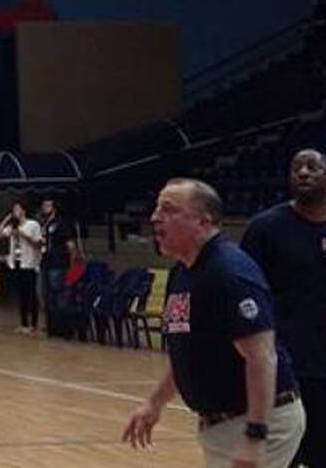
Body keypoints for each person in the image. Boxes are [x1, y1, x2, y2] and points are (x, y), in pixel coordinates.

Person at [124, 178, 304, 468]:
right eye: (157, 208)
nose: (156, 217)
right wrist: (154, 403)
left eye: (168, 209)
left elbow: (262, 358)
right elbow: (189, 355)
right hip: (222, 427)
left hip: (261, 421)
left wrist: (255, 435)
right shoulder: (182, 273)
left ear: (203, 222)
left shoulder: (229, 273)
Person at [240, 149, 326, 468]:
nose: (302, 172)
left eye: (312, 167)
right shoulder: (264, 229)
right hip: (278, 371)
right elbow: (242, 291)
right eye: (296, 167)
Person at [0, 202, 43, 334]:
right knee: (21, 295)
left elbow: (38, 243)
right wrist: (6, 220)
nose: (15, 211)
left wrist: (23, 234)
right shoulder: (13, 226)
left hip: (29, 263)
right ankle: (23, 323)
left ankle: (33, 324)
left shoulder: (32, 224)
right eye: (13, 209)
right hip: (17, 262)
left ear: (23, 211)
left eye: (17, 209)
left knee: (30, 294)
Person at [39, 198, 78, 337]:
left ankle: (64, 328)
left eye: (47, 205)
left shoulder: (61, 223)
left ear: (54, 208)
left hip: (58, 263)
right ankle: (52, 327)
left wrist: (72, 264)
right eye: (43, 205)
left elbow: (71, 245)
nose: (44, 208)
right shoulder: (44, 224)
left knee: (60, 295)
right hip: (46, 263)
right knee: (47, 296)